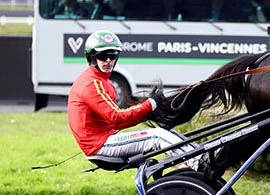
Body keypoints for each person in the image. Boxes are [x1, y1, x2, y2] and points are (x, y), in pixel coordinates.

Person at [67, 30, 200, 169]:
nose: (108, 60)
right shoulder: (92, 84)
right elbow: (116, 118)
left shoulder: (104, 82)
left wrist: (146, 113)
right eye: (103, 55)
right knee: (158, 136)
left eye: (112, 55)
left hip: (104, 141)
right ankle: (199, 163)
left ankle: (200, 158)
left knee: (167, 133)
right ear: (92, 57)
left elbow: (117, 124)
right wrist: (150, 104)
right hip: (100, 146)